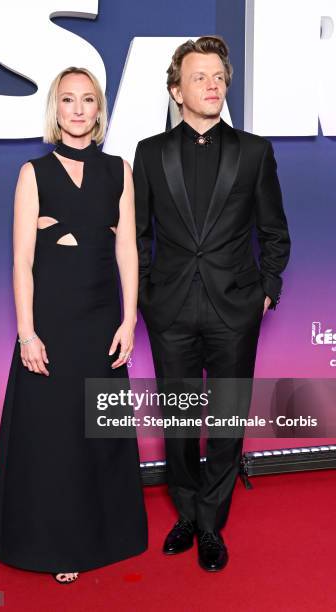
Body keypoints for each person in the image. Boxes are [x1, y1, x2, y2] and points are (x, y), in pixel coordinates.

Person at [133, 36, 290, 572]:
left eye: (219, 77)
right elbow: (137, 234)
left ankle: (211, 522)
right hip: (170, 309)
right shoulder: (150, 152)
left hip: (235, 308)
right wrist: (146, 293)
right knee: (178, 423)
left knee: (226, 421)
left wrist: (267, 291)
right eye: (199, 77)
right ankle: (186, 510)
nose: (213, 85)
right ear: (177, 90)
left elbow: (275, 231)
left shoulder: (254, 151)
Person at [0, 67, 148, 584]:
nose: (78, 109)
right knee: (54, 439)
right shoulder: (33, 174)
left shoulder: (118, 171)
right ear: (55, 110)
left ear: (99, 110)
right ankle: (55, 544)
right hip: (51, 325)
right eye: (67, 100)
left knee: (97, 433)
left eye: (87, 100)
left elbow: (126, 248)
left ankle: (104, 537)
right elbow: (21, 261)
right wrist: (26, 333)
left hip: (102, 319)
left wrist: (129, 319)